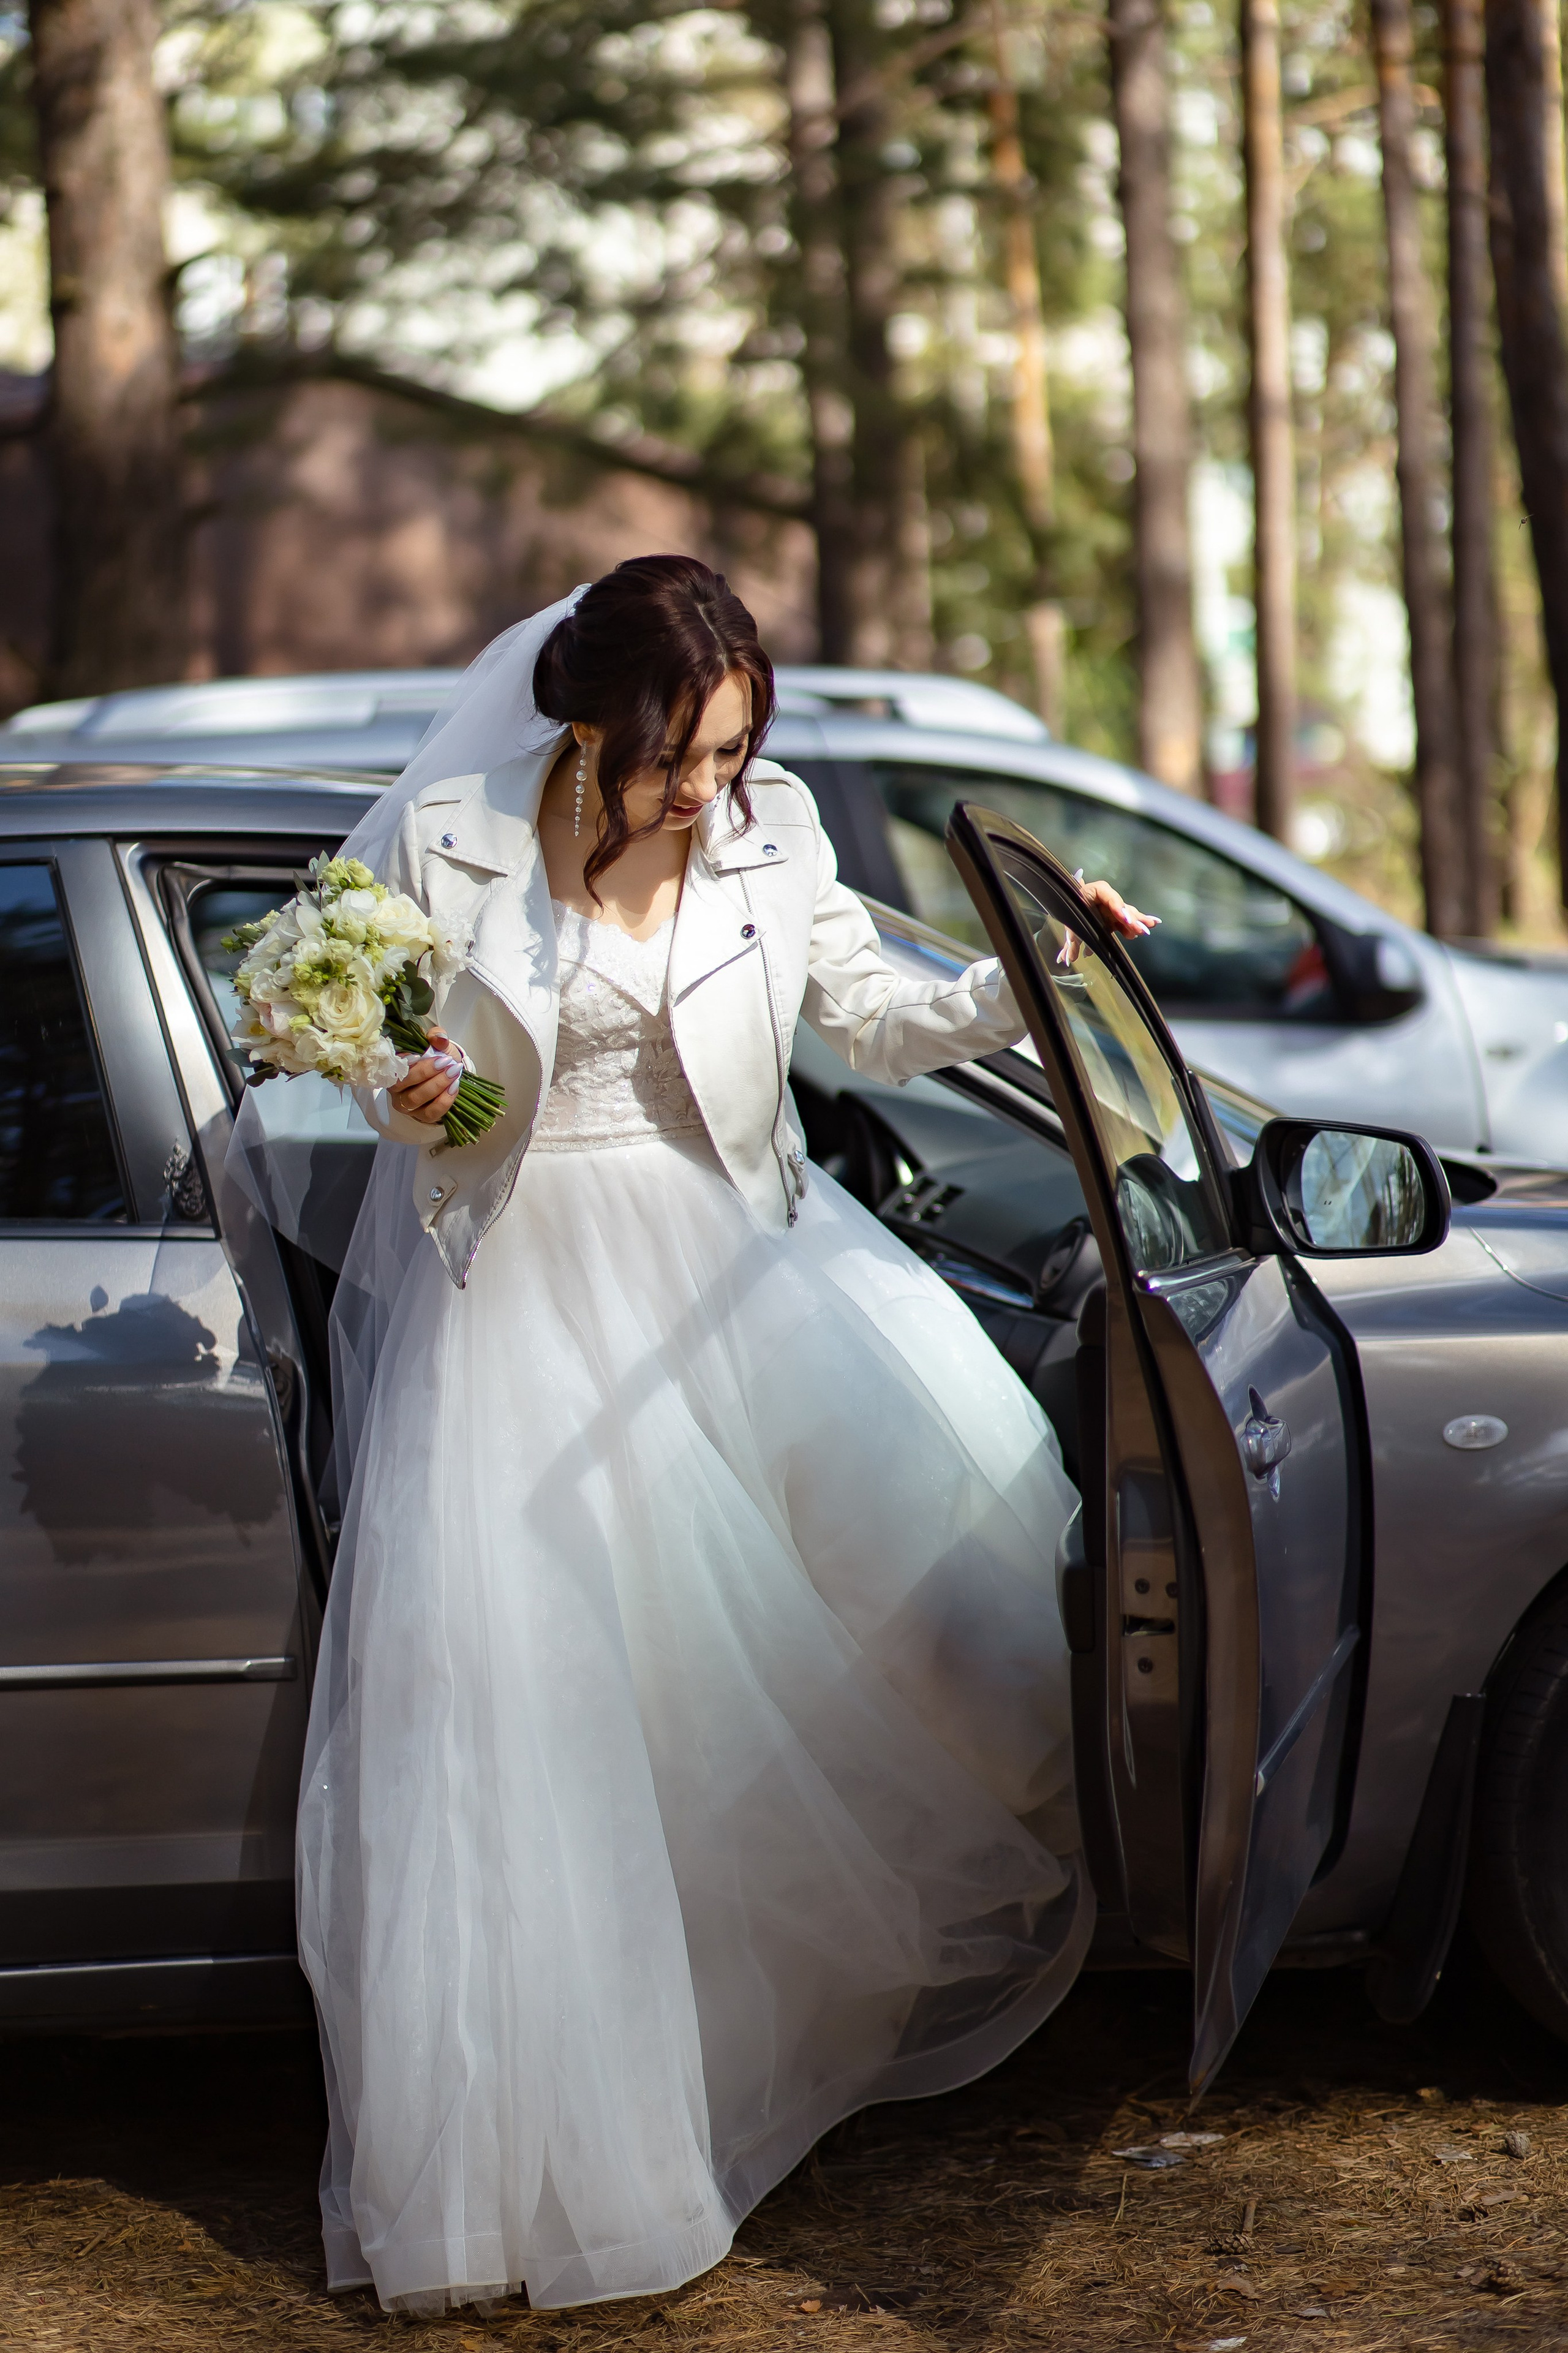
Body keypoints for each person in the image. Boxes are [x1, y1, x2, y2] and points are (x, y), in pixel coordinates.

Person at [288, 557, 1155, 2317]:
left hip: (732, 1287)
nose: (705, 791)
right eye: (674, 755)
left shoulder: (779, 836)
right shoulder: (450, 830)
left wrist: (1035, 971)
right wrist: (402, 1089)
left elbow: (879, 1018)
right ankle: (563, 2169)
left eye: (733, 749)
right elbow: (346, 1043)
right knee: (546, 1735)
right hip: (517, 1305)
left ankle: (738, 2052)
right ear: (585, 722)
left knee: (870, 1648)